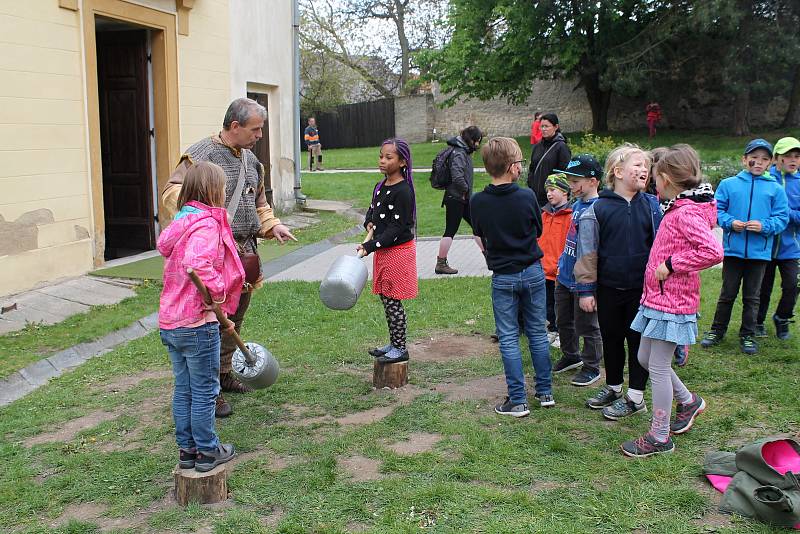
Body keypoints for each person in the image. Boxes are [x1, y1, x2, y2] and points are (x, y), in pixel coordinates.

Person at [162, 98, 296, 418]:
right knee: (212, 323)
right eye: (255, 129)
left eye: (261, 129)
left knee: (234, 321)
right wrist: (203, 227)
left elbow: (259, 204)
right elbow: (172, 196)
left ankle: (223, 376)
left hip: (245, 255)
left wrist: (272, 225)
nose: (260, 135)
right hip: (213, 256)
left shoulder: (253, 163)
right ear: (234, 126)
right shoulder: (200, 155)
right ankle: (209, 391)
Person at [621, 144, 723, 457]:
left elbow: (712, 251)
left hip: (672, 304)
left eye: (655, 177)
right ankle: (689, 401)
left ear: (665, 178)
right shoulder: (680, 207)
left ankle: (659, 436)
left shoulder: (687, 212)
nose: (653, 182)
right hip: (658, 299)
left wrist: (671, 265)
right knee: (643, 358)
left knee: (659, 367)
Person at [158, 162, 244, 471]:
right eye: (223, 187)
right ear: (213, 190)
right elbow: (198, 263)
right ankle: (208, 451)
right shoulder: (206, 225)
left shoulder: (183, 219)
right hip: (196, 324)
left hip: (171, 322)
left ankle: (188, 451)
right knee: (206, 390)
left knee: (184, 389)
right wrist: (219, 291)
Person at [471, 137, 554, 416]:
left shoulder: (478, 202)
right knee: (537, 332)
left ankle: (517, 400)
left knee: (508, 337)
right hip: (532, 272)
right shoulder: (528, 195)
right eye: (519, 162)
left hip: (503, 276)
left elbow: (480, 234)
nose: (521, 166)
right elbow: (538, 230)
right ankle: (544, 392)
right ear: (511, 167)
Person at [579, 144, 662, 421]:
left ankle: (636, 397)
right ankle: (614, 387)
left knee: (638, 342)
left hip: (643, 290)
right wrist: (587, 289)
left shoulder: (651, 205)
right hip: (608, 289)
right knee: (612, 339)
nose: (643, 170)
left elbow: (661, 246)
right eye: (637, 165)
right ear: (617, 171)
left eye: (646, 167)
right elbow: (588, 253)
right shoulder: (597, 209)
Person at [701, 139, 789, 355]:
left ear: (770, 163)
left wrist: (765, 226)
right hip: (733, 251)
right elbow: (716, 211)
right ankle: (716, 331)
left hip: (760, 254)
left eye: (764, 159)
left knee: (752, 296)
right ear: (744, 159)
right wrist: (730, 222)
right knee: (727, 293)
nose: (758, 162)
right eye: (754, 158)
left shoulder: (775, 189)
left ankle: (748, 335)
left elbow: (782, 218)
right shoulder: (729, 184)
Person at [360, 138, 418, 363]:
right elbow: (373, 209)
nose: (382, 161)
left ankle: (400, 347)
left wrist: (370, 246)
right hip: (384, 251)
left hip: (397, 252)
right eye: (381, 156)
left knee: (393, 300)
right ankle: (394, 343)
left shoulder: (403, 191)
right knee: (386, 299)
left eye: (389, 157)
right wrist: (369, 223)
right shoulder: (380, 186)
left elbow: (396, 227)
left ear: (402, 162)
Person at [552, 155, 604, 387]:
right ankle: (570, 355)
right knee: (564, 320)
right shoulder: (576, 206)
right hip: (564, 276)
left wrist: (587, 289)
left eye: (575, 182)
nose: (571, 186)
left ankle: (592, 366)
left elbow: (592, 251)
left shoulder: (598, 209)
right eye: (570, 181)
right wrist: (562, 263)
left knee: (588, 325)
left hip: (584, 283)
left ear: (593, 181)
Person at [756, 137, 800, 340]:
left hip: (791, 248)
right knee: (763, 288)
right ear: (776, 159)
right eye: (787, 156)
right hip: (765, 245)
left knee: (793, 285)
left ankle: (782, 318)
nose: (793, 160)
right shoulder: (765, 178)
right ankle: (757, 322)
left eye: (797, 156)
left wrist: (786, 212)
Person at [435, 126, 485, 275]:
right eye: (477, 141)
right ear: (472, 140)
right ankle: (441, 263)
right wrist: (464, 190)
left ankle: (490, 257)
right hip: (457, 198)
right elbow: (457, 176)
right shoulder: (459, 152)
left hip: (461, 197)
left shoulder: (462, 151)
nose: (478, 145)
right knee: (451, 230)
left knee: (478, 226)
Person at [539, 173, 572, 348]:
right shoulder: (544, 215)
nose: (549, 194)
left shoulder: (571, 215)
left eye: (552, 189)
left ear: (565, 191)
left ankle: (562, 332)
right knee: (547, 305)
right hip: (544, 270)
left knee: (562, 307)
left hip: (561, 271)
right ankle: (552, 330)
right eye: (547, 191)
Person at [527, 113, 571, 207]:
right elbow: (532, 168)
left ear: (555, 127)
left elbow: (564, 172)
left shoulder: (561, 147)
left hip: (552, 198)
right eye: (541, 126)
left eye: (546, 126)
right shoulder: (537, 147)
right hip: (535, 196)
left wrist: (554, 190)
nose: (543, 129)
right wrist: (531, 183)